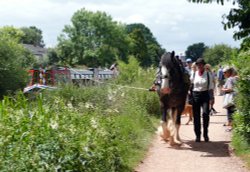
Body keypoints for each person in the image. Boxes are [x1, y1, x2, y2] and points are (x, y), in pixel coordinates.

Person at [190, 58, 213, 142]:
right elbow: (190, 85)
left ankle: (205, 134)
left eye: (201, 64)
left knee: (205, 114)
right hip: (195, 95)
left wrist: (212, 98)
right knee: (196, 116)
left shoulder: (208, 74)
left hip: (205, 95)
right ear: (196, 65)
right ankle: (198, 135)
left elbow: (210, 87)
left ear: (204, 65)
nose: (199, 66)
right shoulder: (193, 74)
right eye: (198, 64)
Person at [221, 66, 237, 131]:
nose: (223, 74)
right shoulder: (233, 78)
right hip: (234, 97)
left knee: (230, 112)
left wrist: (223, 89)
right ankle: (232, 126)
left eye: (225, 72)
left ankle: (231, 127)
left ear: (228, 72)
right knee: (232, 112)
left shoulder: (230, 79)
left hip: (230, 98)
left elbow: (230, 89)